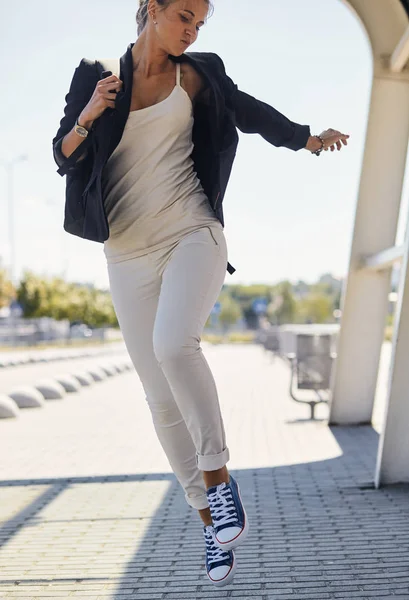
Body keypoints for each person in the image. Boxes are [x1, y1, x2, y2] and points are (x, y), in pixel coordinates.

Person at [52, 0, 350, 587]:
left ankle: (219, 478)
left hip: (193, 231)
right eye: (185, 14)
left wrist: (309, 140)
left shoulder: (199, 73)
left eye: (200, 22)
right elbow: (63, 157)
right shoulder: (96, 75)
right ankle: (211, 525)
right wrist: (89, 113)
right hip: (126, 253)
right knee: (159, 399)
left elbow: (250, 112)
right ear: (151, 9)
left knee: (173, 344)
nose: (192, 29)